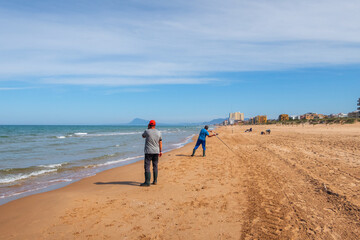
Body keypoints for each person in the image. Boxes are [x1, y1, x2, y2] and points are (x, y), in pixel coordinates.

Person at [141, 120, 162, 187]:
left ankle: (147, 182)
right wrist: (160, 151)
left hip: (148, 152)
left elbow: (143, 136)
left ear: (149, 125)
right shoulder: (159, 132)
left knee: (147, 166)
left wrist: (148, 128)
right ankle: (155, 181)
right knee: (155, 166)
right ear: (155, 125)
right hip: (156, 151)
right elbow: (160, 142)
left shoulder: (147, 131)